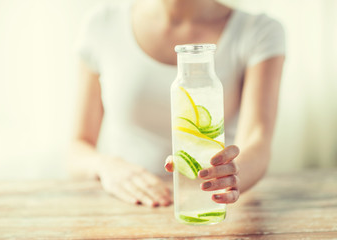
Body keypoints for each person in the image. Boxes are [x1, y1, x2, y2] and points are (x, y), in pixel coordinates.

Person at [69, 0, 285, 207]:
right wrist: (107, 167)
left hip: (211, 202)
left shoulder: (258, 30)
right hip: (126, 205)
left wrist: (232, 175)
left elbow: (257, 141)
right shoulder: (102, 23)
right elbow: (78, 147)